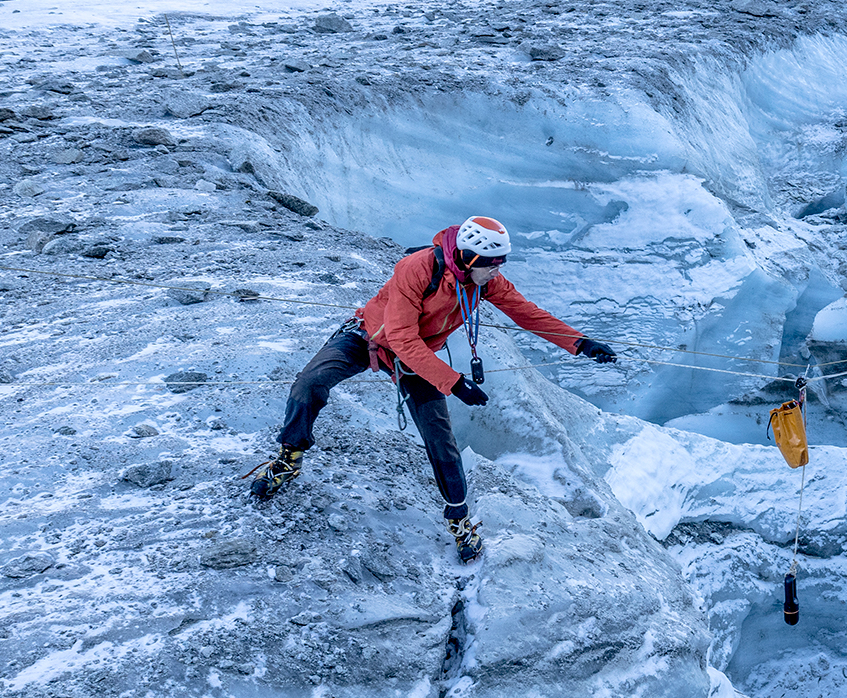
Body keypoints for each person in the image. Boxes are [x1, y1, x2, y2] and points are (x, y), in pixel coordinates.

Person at [250, 216, 618, 563]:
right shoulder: (418, 269)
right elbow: (401, 337)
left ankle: (459, 519)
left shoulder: (484, 280)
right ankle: (289, 456)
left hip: (417, 354)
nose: (497, 270)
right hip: (369, 338)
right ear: (470, 256)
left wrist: (580, 343)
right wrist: (454, 383)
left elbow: (525, 311)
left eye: (500, 262)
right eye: (492, 262)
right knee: (309, 382)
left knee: (440, 437)